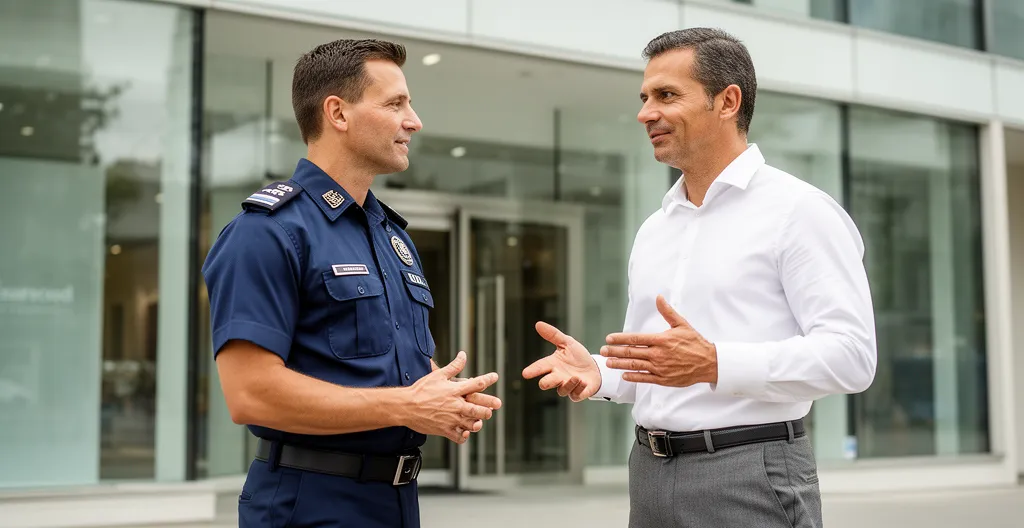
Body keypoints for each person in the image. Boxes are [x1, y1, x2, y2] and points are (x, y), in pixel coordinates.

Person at [523, 27, 876, 528]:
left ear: (727, 101)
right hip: (648, 471)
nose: (646, 113)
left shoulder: (800, 212)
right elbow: (662, 365)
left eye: (667, 95)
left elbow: (852, 357)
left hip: (750, 473)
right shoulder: (655, 229)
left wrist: (715, 363)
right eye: (645, 97)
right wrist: (601, 373)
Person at [202, 38, 502, 528]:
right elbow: (250, 394)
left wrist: (441, 396)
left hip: (397, 502)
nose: (414, 121)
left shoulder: (390, 236)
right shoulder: (268, 231)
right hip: (311, 503)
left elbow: (376, 362)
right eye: (395, 104)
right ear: (337, 113)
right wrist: (407, 405)